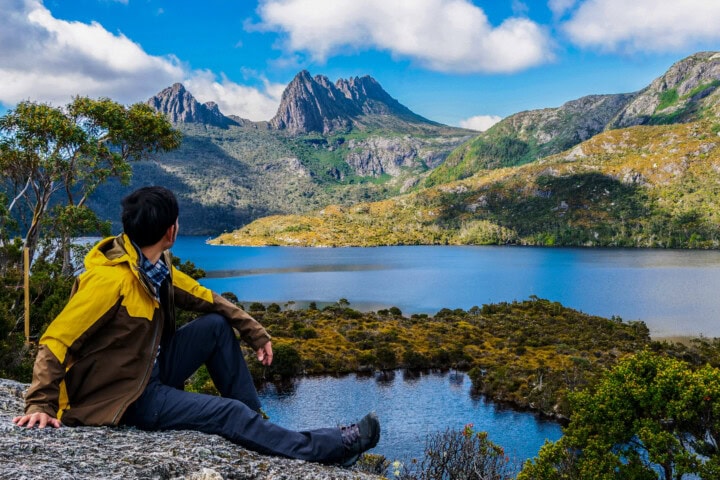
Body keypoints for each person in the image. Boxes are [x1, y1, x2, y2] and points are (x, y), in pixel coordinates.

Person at [12, 186, 380, 467]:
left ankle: (260, 430)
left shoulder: (153, 268)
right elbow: (56, 340)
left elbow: (205, 298)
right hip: (122, 398)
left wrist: (255, 332)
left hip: (144, 372)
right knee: (228, 413)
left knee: (216, 326)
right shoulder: (110, 282)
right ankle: (328, 448)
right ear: (171, 231)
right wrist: (40, 403)